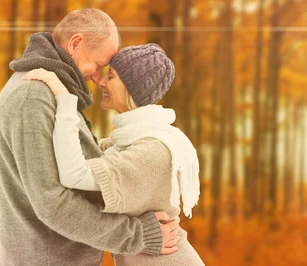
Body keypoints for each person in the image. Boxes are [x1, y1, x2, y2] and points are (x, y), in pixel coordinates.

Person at [0, 8, 181, 266]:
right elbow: (54, 205)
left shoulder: (49, 92)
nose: (97, 78)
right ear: (76, 43)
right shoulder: (34, 97)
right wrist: (138, 235)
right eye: (100, 65)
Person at [23, 43, 204, 265]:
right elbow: (81, 161)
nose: (100, 81)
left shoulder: (151, 151)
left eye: (112, 76)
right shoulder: (126, 142)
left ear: (131, 88)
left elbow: (74, 174)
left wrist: (64, 98)